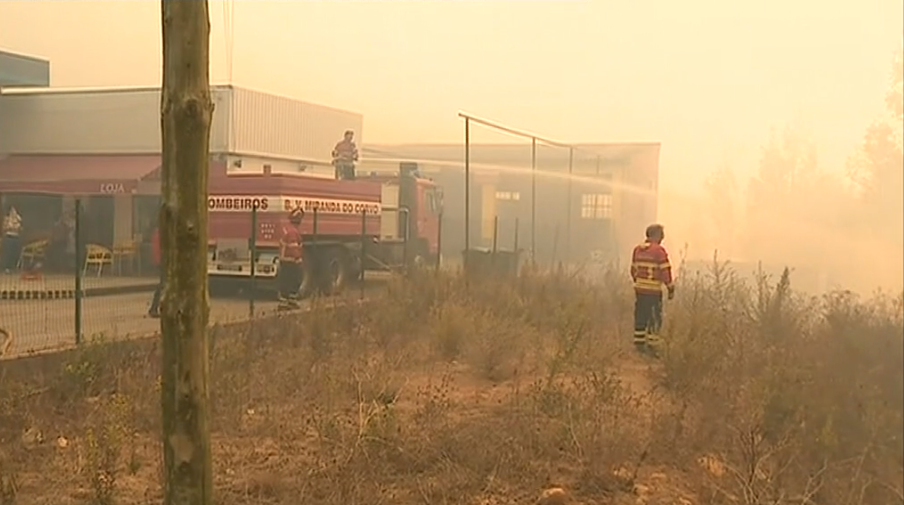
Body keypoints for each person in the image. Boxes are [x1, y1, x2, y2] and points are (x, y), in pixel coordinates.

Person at [630, 223, 675, 356]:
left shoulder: (637, 250)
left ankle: (639, 344)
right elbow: (665, 271)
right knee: (654, 318)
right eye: (662, 235)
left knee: (641, 316)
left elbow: (633, 270)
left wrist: (639, 282)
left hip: (640, 291)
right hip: (653, 292)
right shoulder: (659, 251)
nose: (662, 238)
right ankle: (652, 347)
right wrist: (670, 288)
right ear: (657, 235)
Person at [278, 207, 305, 309]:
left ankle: (284, 303)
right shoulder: (293, 232)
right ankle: (290, 302)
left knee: (286, 281)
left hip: (285, 260)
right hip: (291, 261)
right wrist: (298, 259)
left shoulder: (287, 230)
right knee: (296, 280)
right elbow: (294, 248)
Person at [1, 206, 22, 273]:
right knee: (8, 253)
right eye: (12, 210)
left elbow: (20, 228)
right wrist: (11, 227)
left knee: (14, 253)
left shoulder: (18, 218)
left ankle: (13, 267)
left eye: (14, 210)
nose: (13, 212)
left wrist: (16, 226)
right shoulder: (7, 219)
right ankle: (6, 267)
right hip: (8, 237)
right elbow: (4, 227)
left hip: (16, 237)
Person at [148, 225, 163, 318]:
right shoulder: (161, 234)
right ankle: (154, 307)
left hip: (160, 261)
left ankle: (155, 307)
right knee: (163, 284)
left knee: (164, 284)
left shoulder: (157, 233)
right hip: (163, 261)